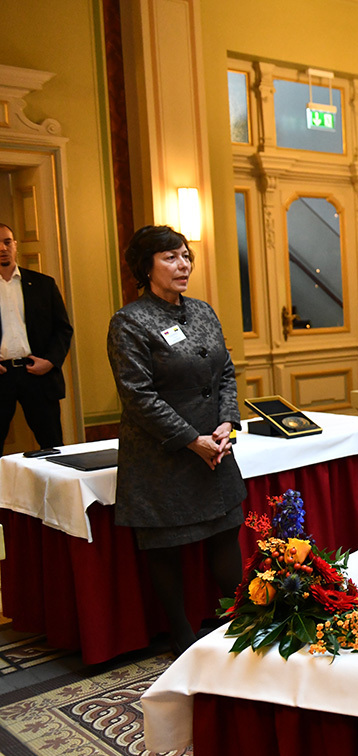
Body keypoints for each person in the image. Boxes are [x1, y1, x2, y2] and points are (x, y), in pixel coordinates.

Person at [108, 225, 246, 655]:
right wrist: (191, 440)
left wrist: (226, 423)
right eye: (170, 257)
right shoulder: (130, 321)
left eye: (186, 256)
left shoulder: (203, 311)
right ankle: (182, 637)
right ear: (145, 267)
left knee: (225, 533)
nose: (183, 264)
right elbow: (137, 395)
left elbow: (225, 372)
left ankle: (245, 622)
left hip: (214, 449)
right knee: (166, 547)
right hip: (162, 455)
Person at [0, 222, 74, 450]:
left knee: (52, 444)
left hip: (37, 372)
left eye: (7, 242)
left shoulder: (43, 284)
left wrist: (50, 361)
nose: (2, 248)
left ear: (15, 245)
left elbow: (63, 329)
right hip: (1, 374)